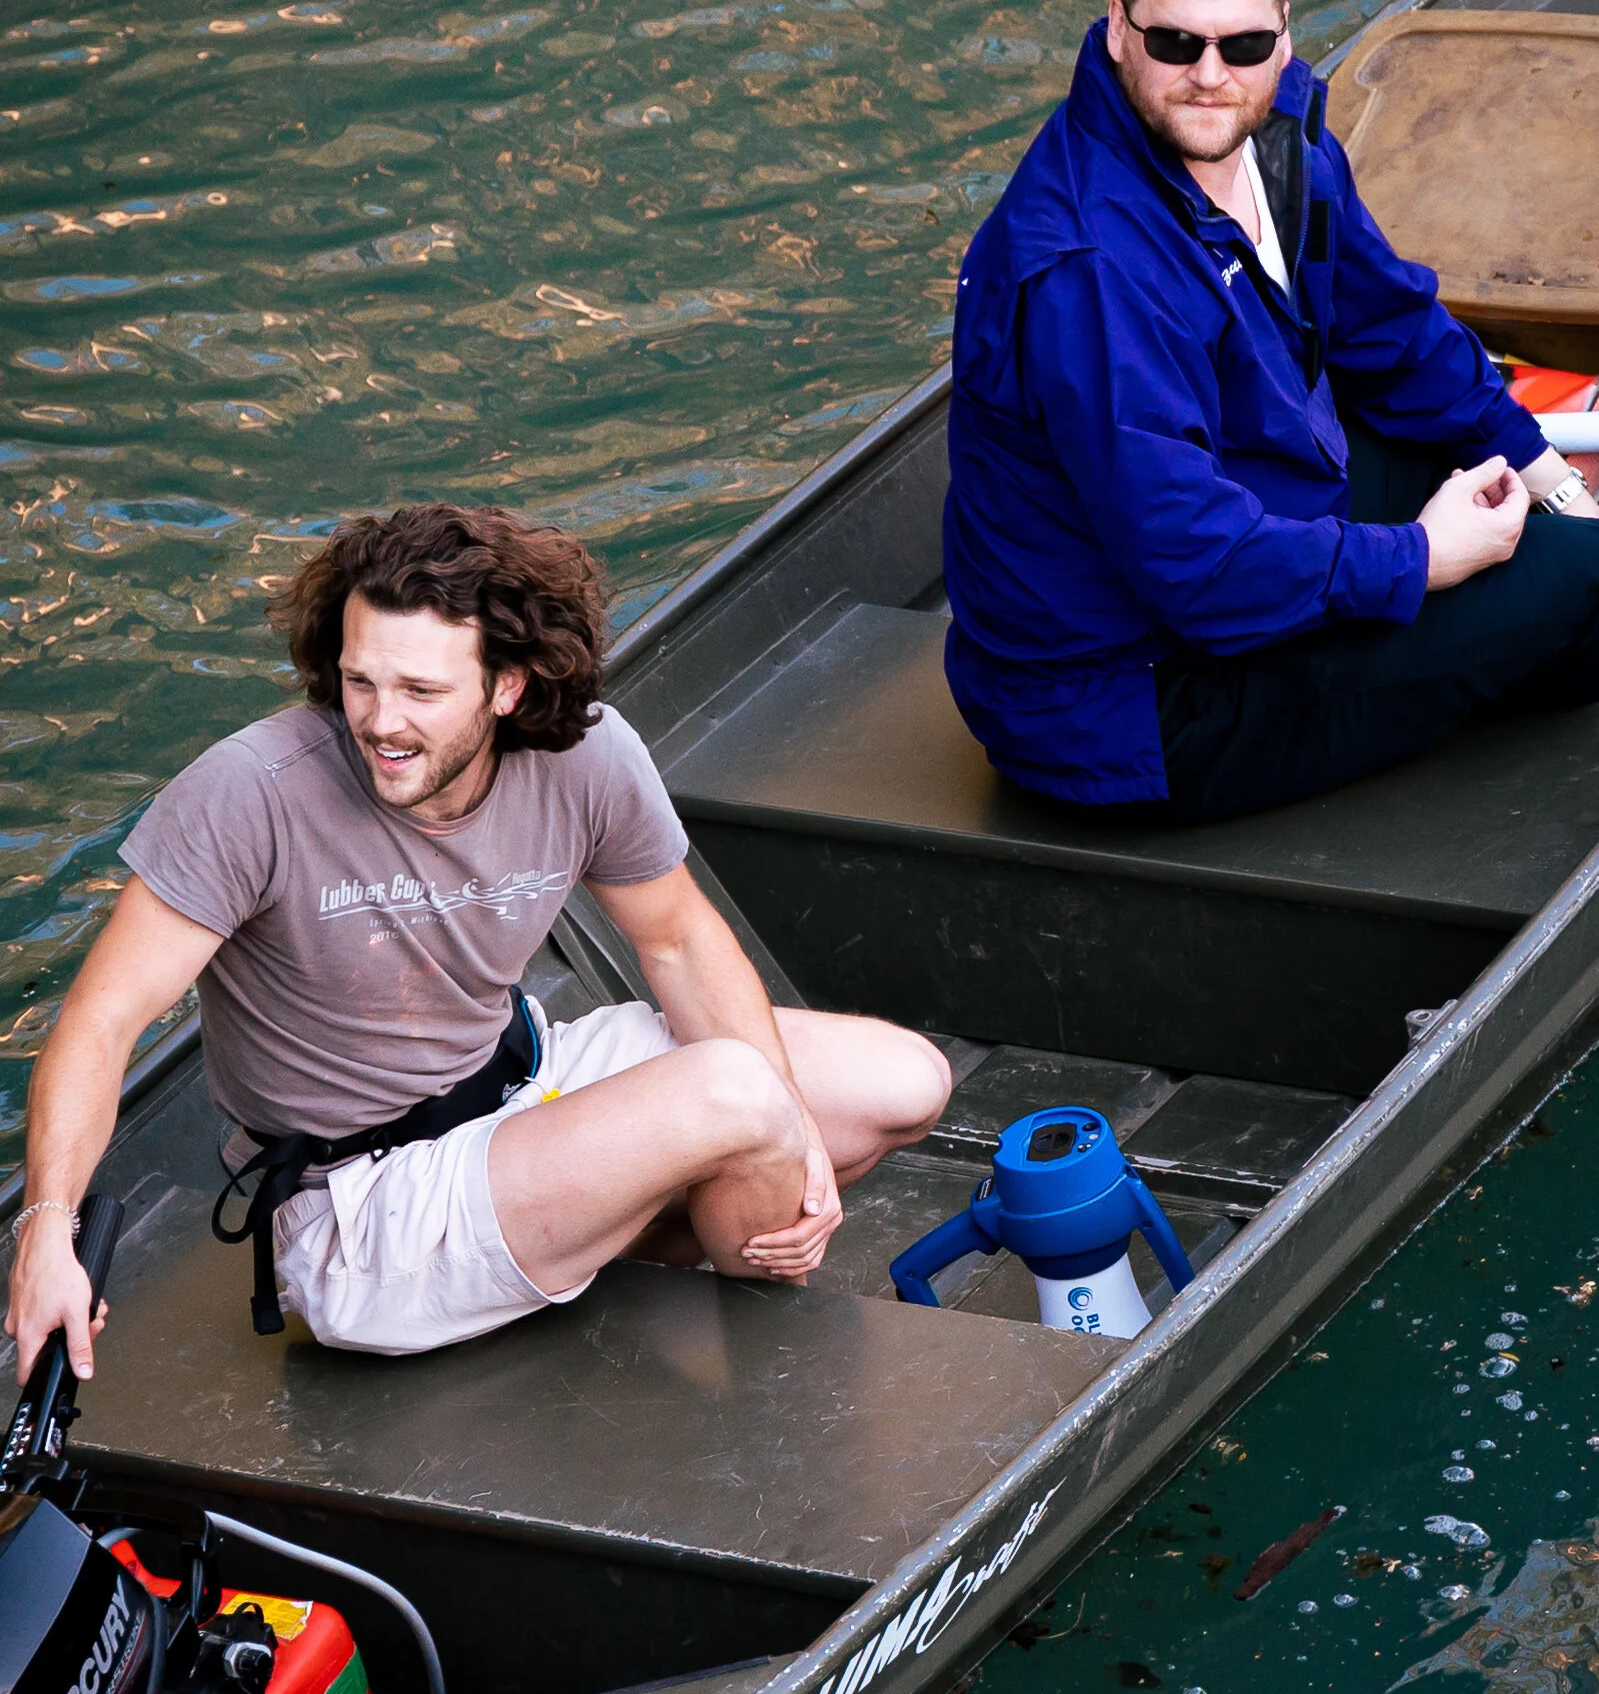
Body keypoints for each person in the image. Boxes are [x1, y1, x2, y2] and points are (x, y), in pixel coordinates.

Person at [5, 504, 950, 1379]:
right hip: (364, 1207)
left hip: (521, 1088)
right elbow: (100, 1021)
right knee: (737, 1091)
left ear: (507, 686)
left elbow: (677, 942)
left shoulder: (585, 752)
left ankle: (620, 1234)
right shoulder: (249, 793)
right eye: (360, 680)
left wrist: (792, 1128)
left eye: (420, 689)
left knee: (903, 1082)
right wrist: (48, 1233)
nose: (381, 721)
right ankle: (727, 1307)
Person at [943, 0, 1599, 823]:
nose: (1210, 74)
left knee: (1525, 505)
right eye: (1176, 43)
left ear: (1283, 34)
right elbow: (1192, 566)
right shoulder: (1089, 269)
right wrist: (1417, 560)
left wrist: (1545, 471)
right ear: (1119, 28)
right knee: (1581, 582)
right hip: (1129, 703)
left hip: (1247, 516)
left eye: (1241, 45)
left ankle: (1473, 646)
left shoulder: (1277, 135)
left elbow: (1387, 326)